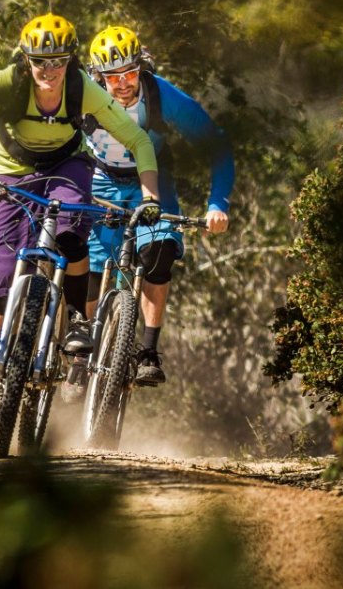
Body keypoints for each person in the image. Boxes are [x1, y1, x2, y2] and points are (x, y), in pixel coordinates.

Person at [0, 13, 162, 423]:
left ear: (71, 60)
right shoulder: (10, 83)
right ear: (26, 60)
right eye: (40, 62)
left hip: (68, 166)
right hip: (12, 171)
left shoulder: (82, 89)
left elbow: (138, 139)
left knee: (73, 234)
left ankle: (75, 319)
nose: (49, 71)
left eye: (58, 61)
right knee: (0, 280)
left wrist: (149, 195)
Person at [80, 25, 234, 385]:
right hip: (100, 179)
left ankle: (148, 351)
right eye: (111, 77)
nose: (122, 84)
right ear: (97, 76)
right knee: (88, 265)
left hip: (153, 180)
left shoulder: (162, 96)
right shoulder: (83, 96)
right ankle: (82, 350)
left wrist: (217, 203)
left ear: (142, 68)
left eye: (130, 73)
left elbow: (217, 145)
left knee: (160, 251)